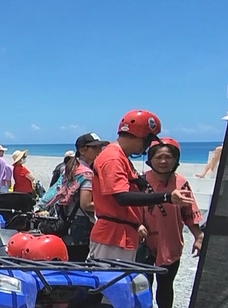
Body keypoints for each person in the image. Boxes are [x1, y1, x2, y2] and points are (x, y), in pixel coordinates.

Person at [89, 110, 193, 261]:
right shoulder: (113, 158)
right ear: (143, 136)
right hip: (113, 236)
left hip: (122, 234)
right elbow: (122, 197)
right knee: (112, 282)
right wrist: (167, 197)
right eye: (150, 141)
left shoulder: (120, 157)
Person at [139, 138, 203, 308]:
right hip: (145, 242)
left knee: (166, 285)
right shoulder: (141, 181)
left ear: (176, 160)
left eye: (168, 157)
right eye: (159, 157)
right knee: (144, 283)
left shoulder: (181, 182)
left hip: (171, 241)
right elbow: (129, 208)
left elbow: (189, 212)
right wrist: (136, 224)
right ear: (151, 159)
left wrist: (198, 236)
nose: (163, 161)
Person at [37, 133, 107, 261]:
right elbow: (85, 204)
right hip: (80, 227)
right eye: (95, 147)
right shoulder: (86, 173)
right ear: (82, 150)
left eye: (100, 147)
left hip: (65, 221)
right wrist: (108, 206)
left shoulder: (70, 168)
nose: (99, 150)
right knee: (77, 264)